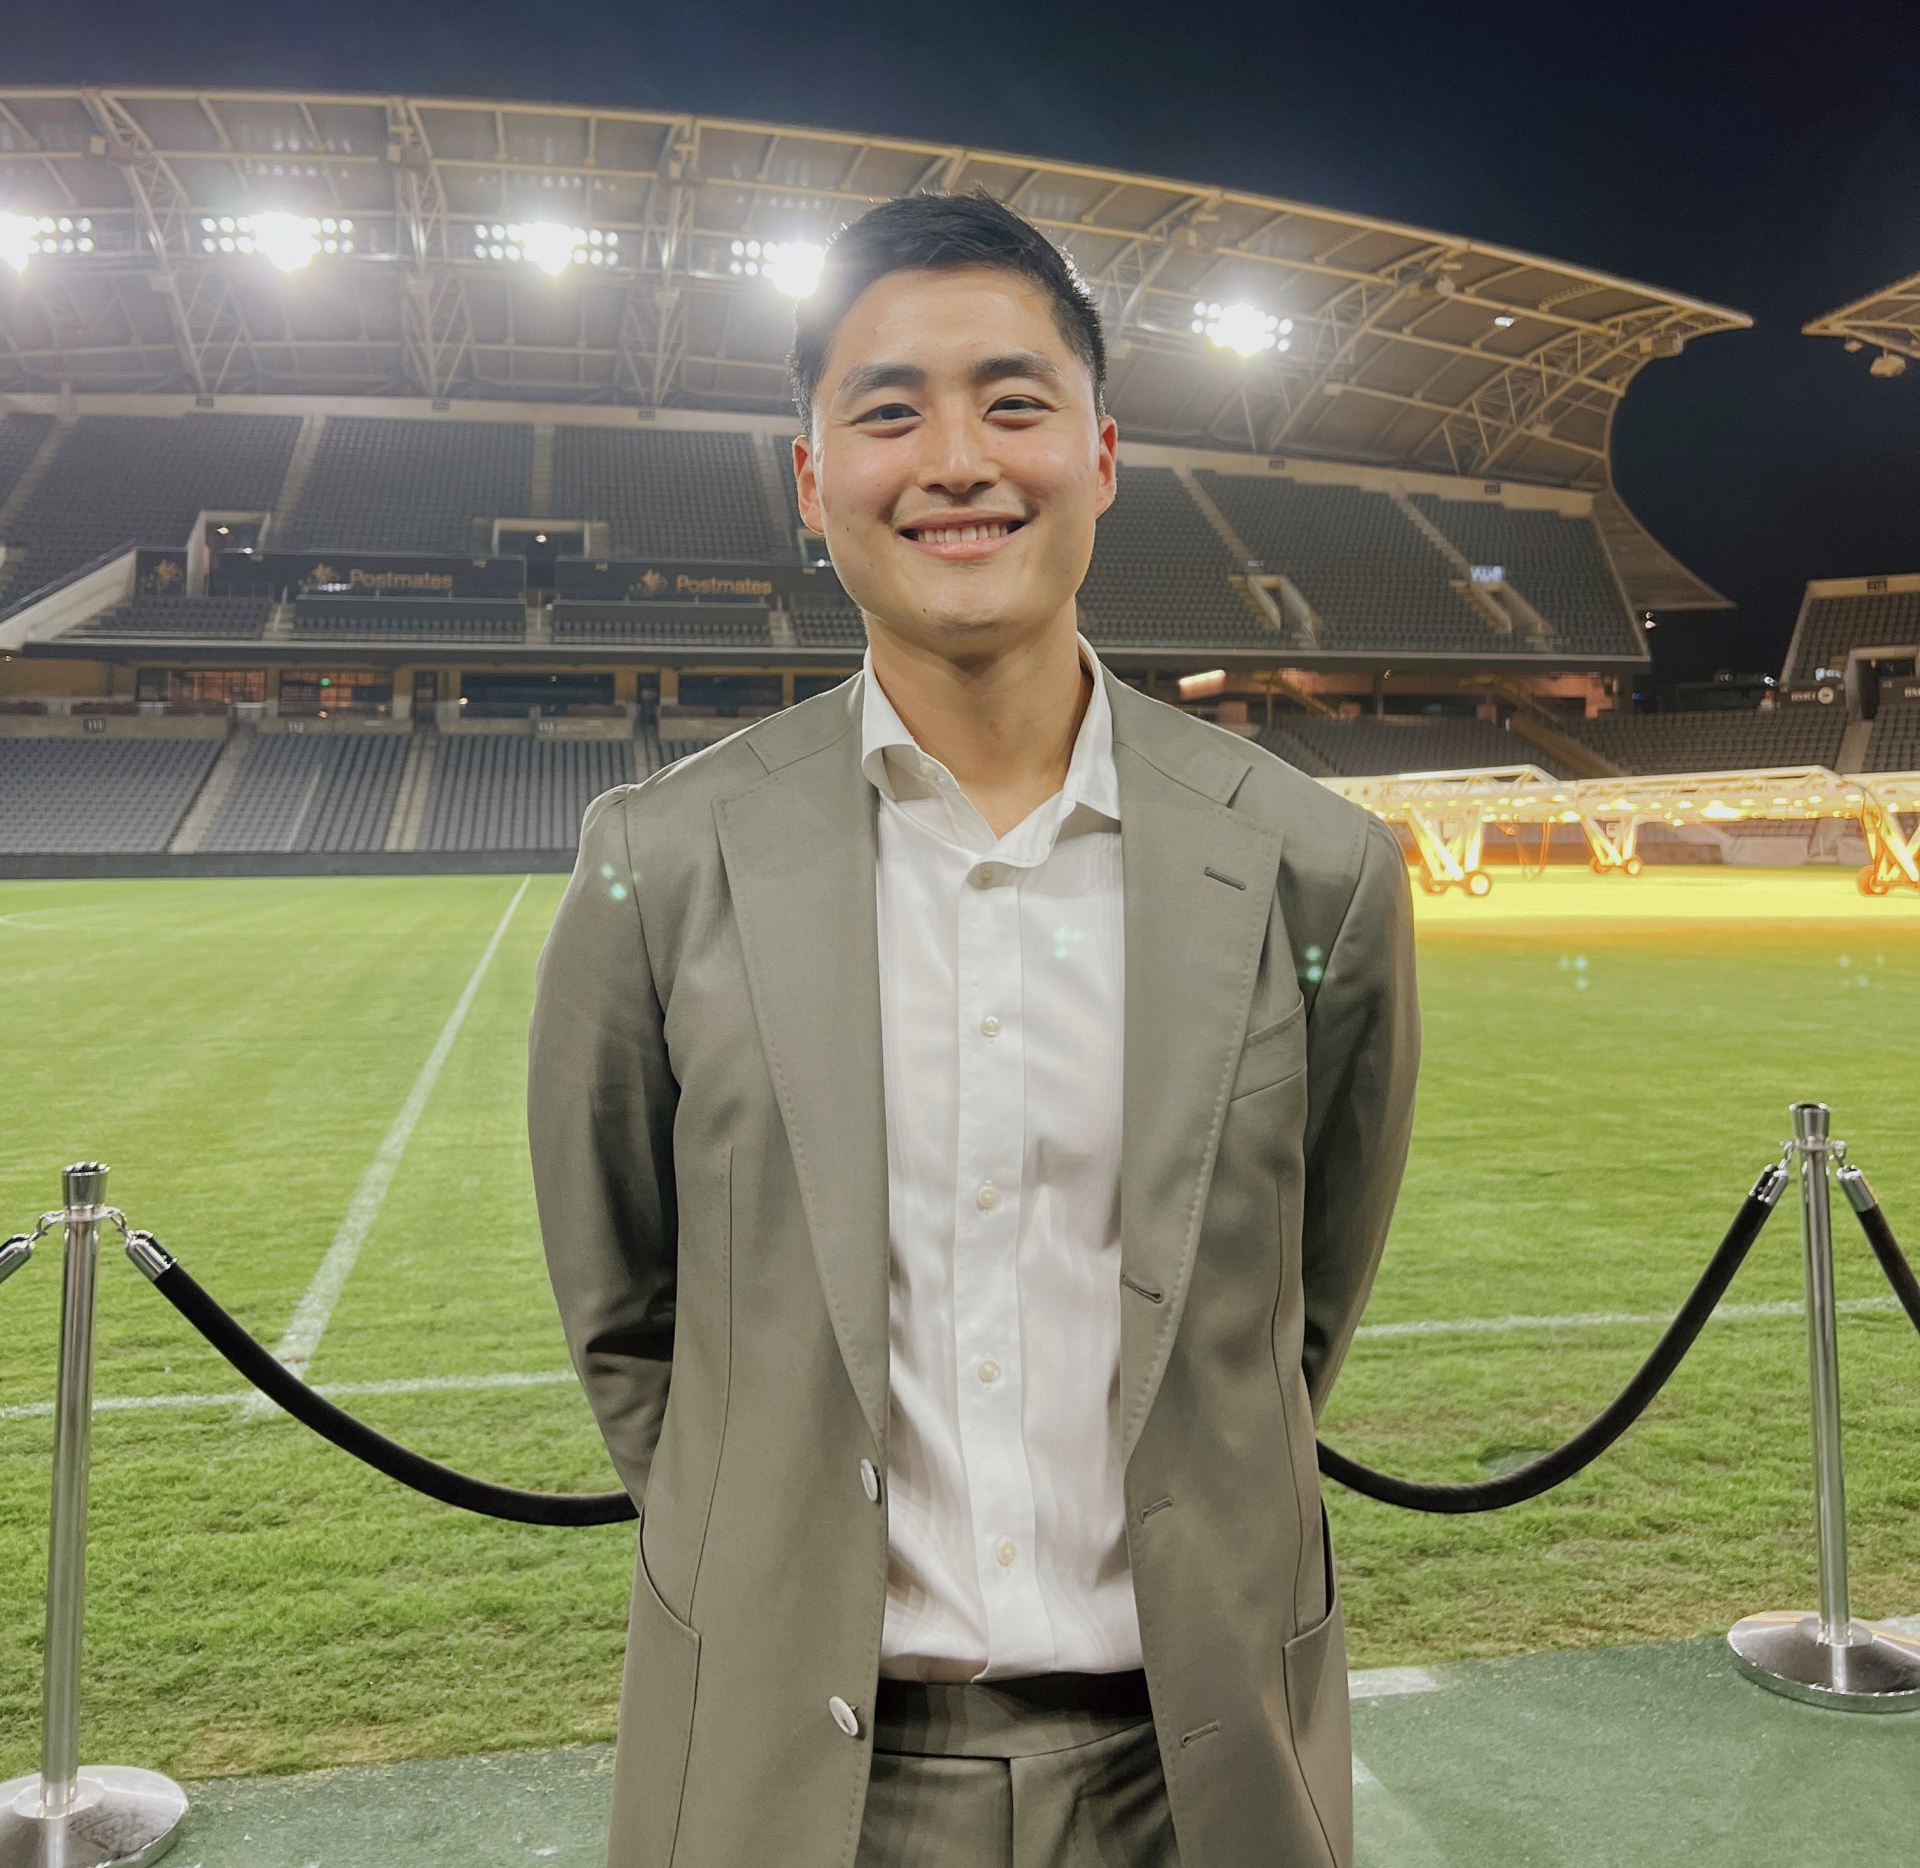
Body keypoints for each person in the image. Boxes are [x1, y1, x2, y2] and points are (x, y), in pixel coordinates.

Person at [528, 190, 1421, 1868]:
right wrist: (765, 1546)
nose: (955, 462)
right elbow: (628, 1321)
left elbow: (1294, 1316)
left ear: (1102, 453)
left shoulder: (1316, 868)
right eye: (888, 413)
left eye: (1014, 403)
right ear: (812, 482)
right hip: (799, 1783)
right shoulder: (661, 861)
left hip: (1202, 1766)